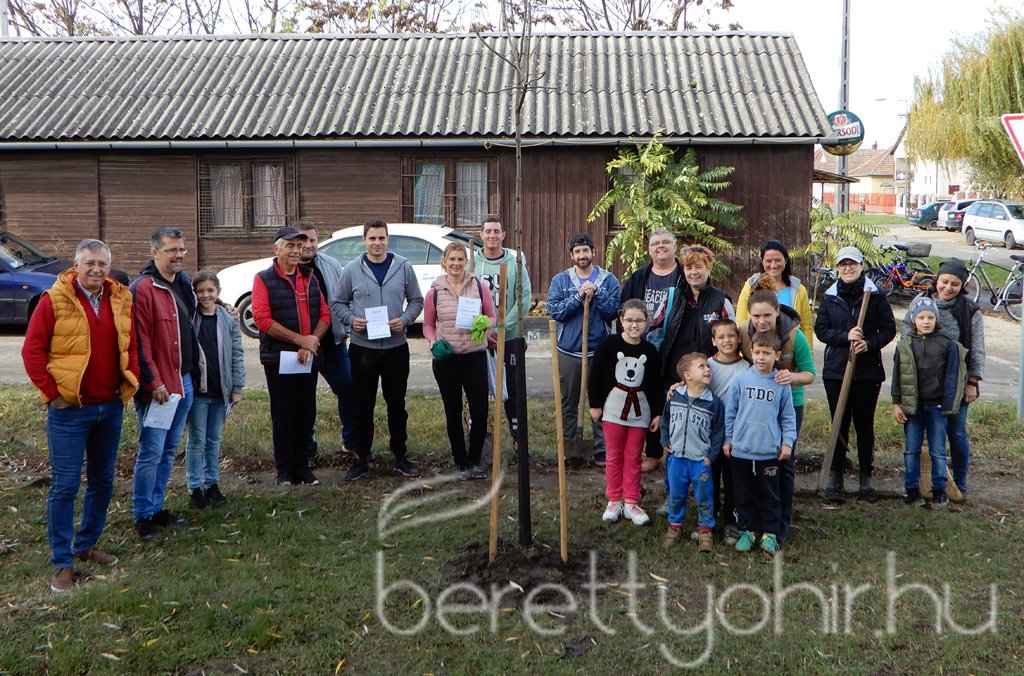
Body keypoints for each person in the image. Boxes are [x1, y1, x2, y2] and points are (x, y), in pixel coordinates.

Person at [21, 239, 140, 592]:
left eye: (102, 263)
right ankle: (62, 561)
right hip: (70, 411)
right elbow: (31, 352)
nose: (96, 270)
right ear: (76, 265)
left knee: (103, 481)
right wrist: (53, 395)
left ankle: (86, 544)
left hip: (110, 407)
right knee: (65, 486)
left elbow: (129, 343)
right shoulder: (54, 300)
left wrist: (129, 380)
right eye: (89, 263)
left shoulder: (120, 297)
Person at [333, 219, 424, 481]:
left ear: (388, 240)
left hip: (396, 347)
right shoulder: (351, 269)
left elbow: (416, 300)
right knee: (363, 405)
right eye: (372, 238)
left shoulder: (403, 267)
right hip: (363, 349)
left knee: (397, 404)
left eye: (381, 238)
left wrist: (405, 319)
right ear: (364, 240)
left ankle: (400, 456)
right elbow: (338, 302)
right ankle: (362, 458)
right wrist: (352, 320)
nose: (377, 243)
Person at [131, 226, 198, 541]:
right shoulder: (143, 289)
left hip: (183, 381)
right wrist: (152, 381)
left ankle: (157, 508)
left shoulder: (183, 283)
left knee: (170, 449)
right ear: (155, 252)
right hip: (158, 386)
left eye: (182, 249)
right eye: (172, 250)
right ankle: (142, 515)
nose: (179, 255)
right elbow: (139, 340)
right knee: (152, 450)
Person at [814, 246, 897, 494]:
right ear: (837, 268)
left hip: (867, 371)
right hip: (836, 370)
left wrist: (868, 343)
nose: (847, 268)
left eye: (852, 264)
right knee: (839, 422)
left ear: (861, 265)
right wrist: (845, 336)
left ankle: (865, 475)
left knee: (864, 423)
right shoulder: (830, 296)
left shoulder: (875, 295)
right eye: (842, 264)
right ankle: (836, 474)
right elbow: (822, 330)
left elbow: (888, 328)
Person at [251, 226, 330, 487]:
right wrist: (300, 340)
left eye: (300, 245)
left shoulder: (310, 277)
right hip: (279, 358)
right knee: (283, 414)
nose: (297, 250)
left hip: (307, 357)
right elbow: (262, 320)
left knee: (306, 413)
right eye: (290, 246)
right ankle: (284, 470)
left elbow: (325, 315)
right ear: (277, 249)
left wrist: (311, 343)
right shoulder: (263, 279)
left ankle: (302, 467)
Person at [899, 258, 983, 497]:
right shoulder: (921, 302)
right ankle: (921, 485)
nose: (948, 288)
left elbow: (977, 348)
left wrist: (973, 381)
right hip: (922, 383)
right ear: (937, 280)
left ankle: (959, 483)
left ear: (962, 286)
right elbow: (906, 330)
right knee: (918, 441)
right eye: (944, 282)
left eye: (955, 284)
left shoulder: (970, 311)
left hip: (956, 382)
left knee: (956, 432)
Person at [738, 288, 815, 543]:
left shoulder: (795, 336)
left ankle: (780, 525)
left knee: (783, 463)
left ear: (777, 311)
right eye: (756, 316)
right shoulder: (743, 332)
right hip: (755, 405)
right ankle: (753, 523)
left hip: (788, 405)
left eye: (767, 315)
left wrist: (791, 377)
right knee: (754, 468)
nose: (761, 321)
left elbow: (809, 373)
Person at [653, 244, 733, 472]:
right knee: (676, 433)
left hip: (708, 378)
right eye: (689, 268)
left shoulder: (720, 301)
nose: (693, 272)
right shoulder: (673, 297)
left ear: (709, 268)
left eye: (699, 267)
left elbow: (730, 338)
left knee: (703, 430)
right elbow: (656, 330)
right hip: (674, 377)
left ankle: (704, 485)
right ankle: (674, 490)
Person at [547, 232, 621, 467]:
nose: (582, 255)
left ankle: (602, 449)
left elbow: (613, 312)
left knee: (602, 401)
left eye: (585, 250)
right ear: (571, 255)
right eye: (577, 251)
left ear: (593, 252)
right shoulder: (561, 280)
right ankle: (571, 446)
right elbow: (555, 311)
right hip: (569, 351)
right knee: (569, 402)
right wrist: (578, 298)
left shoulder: (608, 280)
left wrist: (596, 295)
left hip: (599, 352)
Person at [423, 242, 496, 478]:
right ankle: (460, 461)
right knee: (452, 411)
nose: (456, 264)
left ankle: (475, 461)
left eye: (460, 259)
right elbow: (427, 325)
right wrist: (433, 341)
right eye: (451, 259)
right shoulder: (434, 291)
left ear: (466, 262)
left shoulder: (479, 286)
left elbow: (492, 316)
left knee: (480, 410)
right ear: (444, 261)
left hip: (474, 356)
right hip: (447, 360)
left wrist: (485, 325)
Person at [587, 299, 662, 526]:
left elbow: (654, 384)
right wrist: (595, 405)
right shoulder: (608, 345)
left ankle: (631, 501)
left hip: (640, 415)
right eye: (629, 320)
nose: (634, 325)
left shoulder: (649, 351)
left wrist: (657, 412)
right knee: (614, 455)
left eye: (639, 321)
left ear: (647, 322)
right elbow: (596, 376)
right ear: (621, 321)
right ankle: (614, 498)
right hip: (612, 412)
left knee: (633, 457)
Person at [723, 331, 797, 555]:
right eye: (757, 353)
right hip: (742, 451)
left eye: (766, 353)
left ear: (777, 355)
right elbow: (730, 412)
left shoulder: (781, 384)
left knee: (770, 496)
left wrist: (787, 443)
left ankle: (770, 533)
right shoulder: (741, 380)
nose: (761, 357)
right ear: (750, 353)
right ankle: (747, 530)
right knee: (743, 494)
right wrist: (728, 439)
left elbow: (788, 417)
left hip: (769, 453)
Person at [892, 297, 967, 510]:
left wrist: (948, 405)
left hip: (937, 408)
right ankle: (912, 489)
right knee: (911, 449)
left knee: (938, 450)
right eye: (921, 317)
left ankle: (939, 490)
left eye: (930, 317)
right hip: (913, 408)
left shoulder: (947, 345)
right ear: (914, 320)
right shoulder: (905, 346)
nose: (926, 321)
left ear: (936, 319)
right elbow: (897, 377)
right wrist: (896, 403)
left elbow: (953, 378)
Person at [296, 220, 357, 466]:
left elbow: (344, 299)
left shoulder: (331, 265)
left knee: (349, 390)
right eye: (302, 240)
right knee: (303, 399)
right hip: (298, 347)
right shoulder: (287, 269)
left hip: (333, 343)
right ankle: (306, 450)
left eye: (312, 239)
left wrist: (348, 326)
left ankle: (351, 443)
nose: (308, 245)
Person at [186, 269, 245, 508]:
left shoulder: (228, 319)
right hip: (199, 391)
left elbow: (238, 354)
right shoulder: (191, 318)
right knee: (196, 439)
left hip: (221, 391)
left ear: (218, 292)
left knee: (214, 439)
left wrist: (237, 387)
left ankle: (212, 483)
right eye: (200, 291)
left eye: (210, 290)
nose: (205, 295)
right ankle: (194, 487)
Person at [474, 216, 532, 447]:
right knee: (479, 387)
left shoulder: (515, 262)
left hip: (508, 336)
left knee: (514, 387)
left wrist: (501, 328)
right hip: (479, 337)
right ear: (481, 235)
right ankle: (479, 435)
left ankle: (518, 436)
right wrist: (484, 331)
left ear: (503, 235)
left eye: (496, 231)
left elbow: (524, 298)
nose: (492, 236)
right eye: (488, 231)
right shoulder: (473, 262)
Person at [660, 352, 724, 553]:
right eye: (702, 367)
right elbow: (665, 421)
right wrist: (665, 441)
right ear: (687, 376)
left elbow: (718, 432)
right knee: (676, 495)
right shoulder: (675, 396)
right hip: (677, 458)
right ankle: (674, 527)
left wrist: (710, 457)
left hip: (700, 461)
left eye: (708, 366)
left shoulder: (714, 402)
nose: (707, 370)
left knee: (704, 497)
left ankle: (705, 531)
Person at [707, 319, 748, 545]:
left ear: (739, 338)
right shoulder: (705, 366)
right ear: (713, 341)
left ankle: (732, 521)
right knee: (710, 478)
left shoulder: (747, 368)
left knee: (734, 480)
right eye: (721, 337)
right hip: (711, 435)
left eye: (731, 336)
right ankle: (708, 518)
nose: (727, 341)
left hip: (736, 436)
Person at [735, 240, 814, 348]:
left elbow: (806, 327)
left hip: (789, 353)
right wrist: (742, 352)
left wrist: (808, 353)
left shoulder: (799, 290)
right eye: (769, 260)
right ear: (762, 261)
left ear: (785, 260)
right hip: (757, 353)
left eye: (777, 260)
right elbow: (740, 323)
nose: (773, 265)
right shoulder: (750, 287)